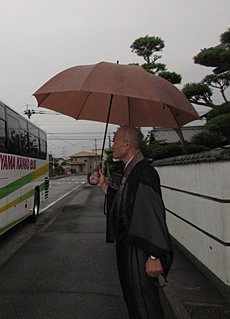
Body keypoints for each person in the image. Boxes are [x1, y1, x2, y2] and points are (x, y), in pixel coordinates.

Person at [94, 125, 174, 319]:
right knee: (135, 300)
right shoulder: (133, 169)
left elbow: (151, 214)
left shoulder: (143, 172)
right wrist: (104, 185)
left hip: (140, 249)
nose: (112, 146)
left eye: (115, 141)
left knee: (144, 303)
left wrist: (155, 255)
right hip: (131, 245)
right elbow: (125, 205)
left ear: (127, 144)